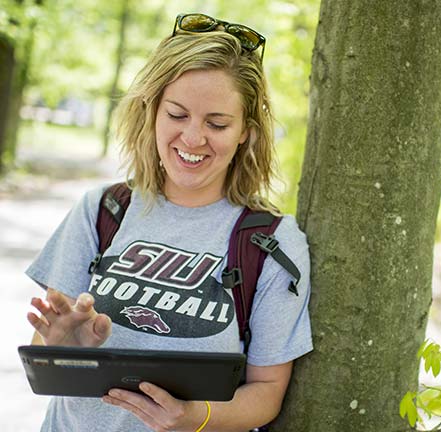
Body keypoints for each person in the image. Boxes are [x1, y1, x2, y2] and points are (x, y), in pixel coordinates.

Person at [25, 12, 312, 432]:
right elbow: (46, 356)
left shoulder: (270, 241)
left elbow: (267, 392)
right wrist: (65, 347)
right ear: (153, 111)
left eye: (217, 123)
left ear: (245, 132)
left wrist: (195, 418)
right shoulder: (103, 210)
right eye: (177, 115)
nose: (193, 138)